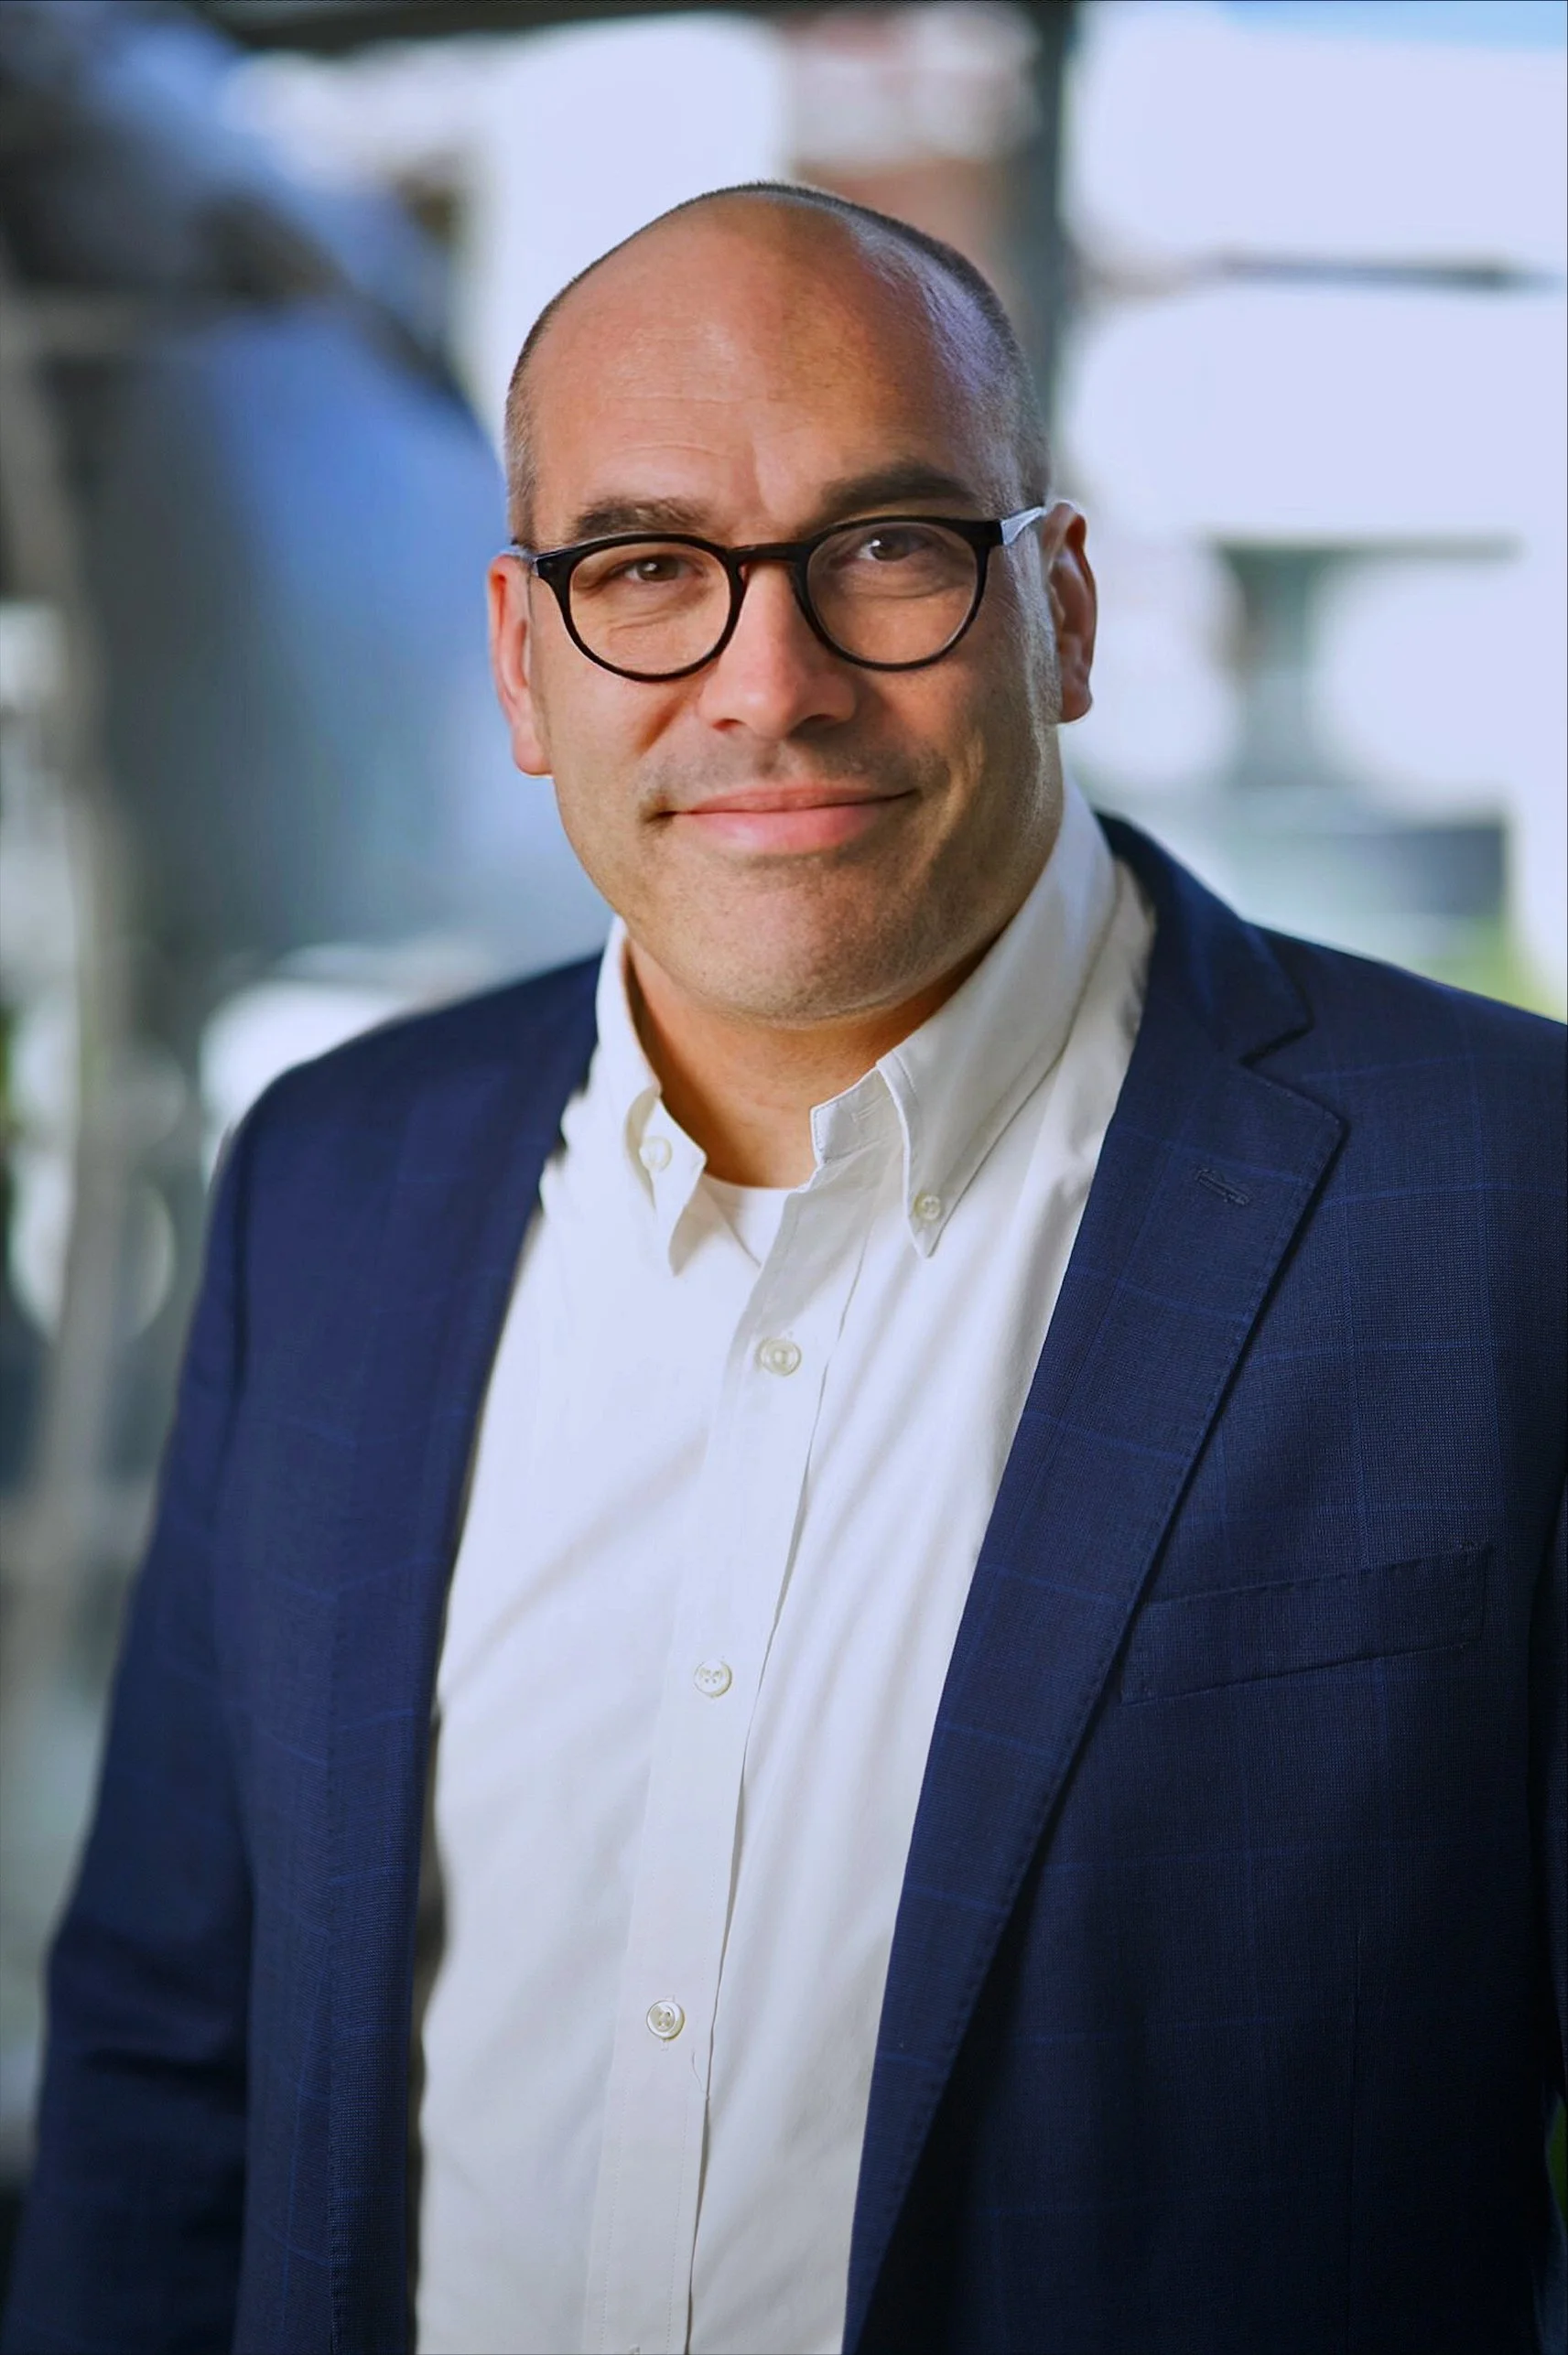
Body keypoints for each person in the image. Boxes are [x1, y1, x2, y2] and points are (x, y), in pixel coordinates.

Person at [3, 183, 1563, 2355]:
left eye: (888, 545)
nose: (770, 683)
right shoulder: (331, 1186)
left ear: (1063, 608)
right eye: (646, 566)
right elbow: (172, 2069)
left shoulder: (1500, 1197)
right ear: (521, 660)